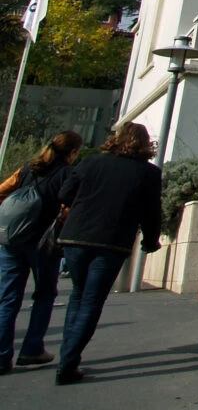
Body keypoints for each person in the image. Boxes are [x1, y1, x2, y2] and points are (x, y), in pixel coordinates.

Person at [53, 122, 163, 385]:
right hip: (112, 241)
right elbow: (151, 211)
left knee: (78, 296)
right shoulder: (148, 173)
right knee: (91, 301)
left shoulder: (91, 163)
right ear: (145, 143)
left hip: (76, 237)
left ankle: (68, 357)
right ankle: (68, 361)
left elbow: (65, 194)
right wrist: (150, 240)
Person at [0, 131, 83, 374]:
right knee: (45, 295)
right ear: (72, 153)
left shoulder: (28, 168)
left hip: (11, 240)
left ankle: (2, 356)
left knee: (8, 298)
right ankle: (32, 349)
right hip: (42, 244)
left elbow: (2, 190)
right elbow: (68, 205)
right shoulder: (68, 174)